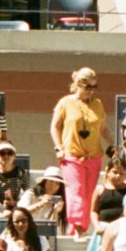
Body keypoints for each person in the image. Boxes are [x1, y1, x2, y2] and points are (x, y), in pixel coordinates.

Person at [48, 67, 110, 236]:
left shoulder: (98, 104)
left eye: (94, 87)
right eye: (88, 87)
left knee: (89, 194)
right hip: (71, 155)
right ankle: (77, 227)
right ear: (78, 85)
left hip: (94, 155)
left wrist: (113, 145)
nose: (91, 91)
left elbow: (103, 128)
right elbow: (55, 126)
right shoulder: (65, 102)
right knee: (76, 191)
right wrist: (58, 147)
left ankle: (81, 227)